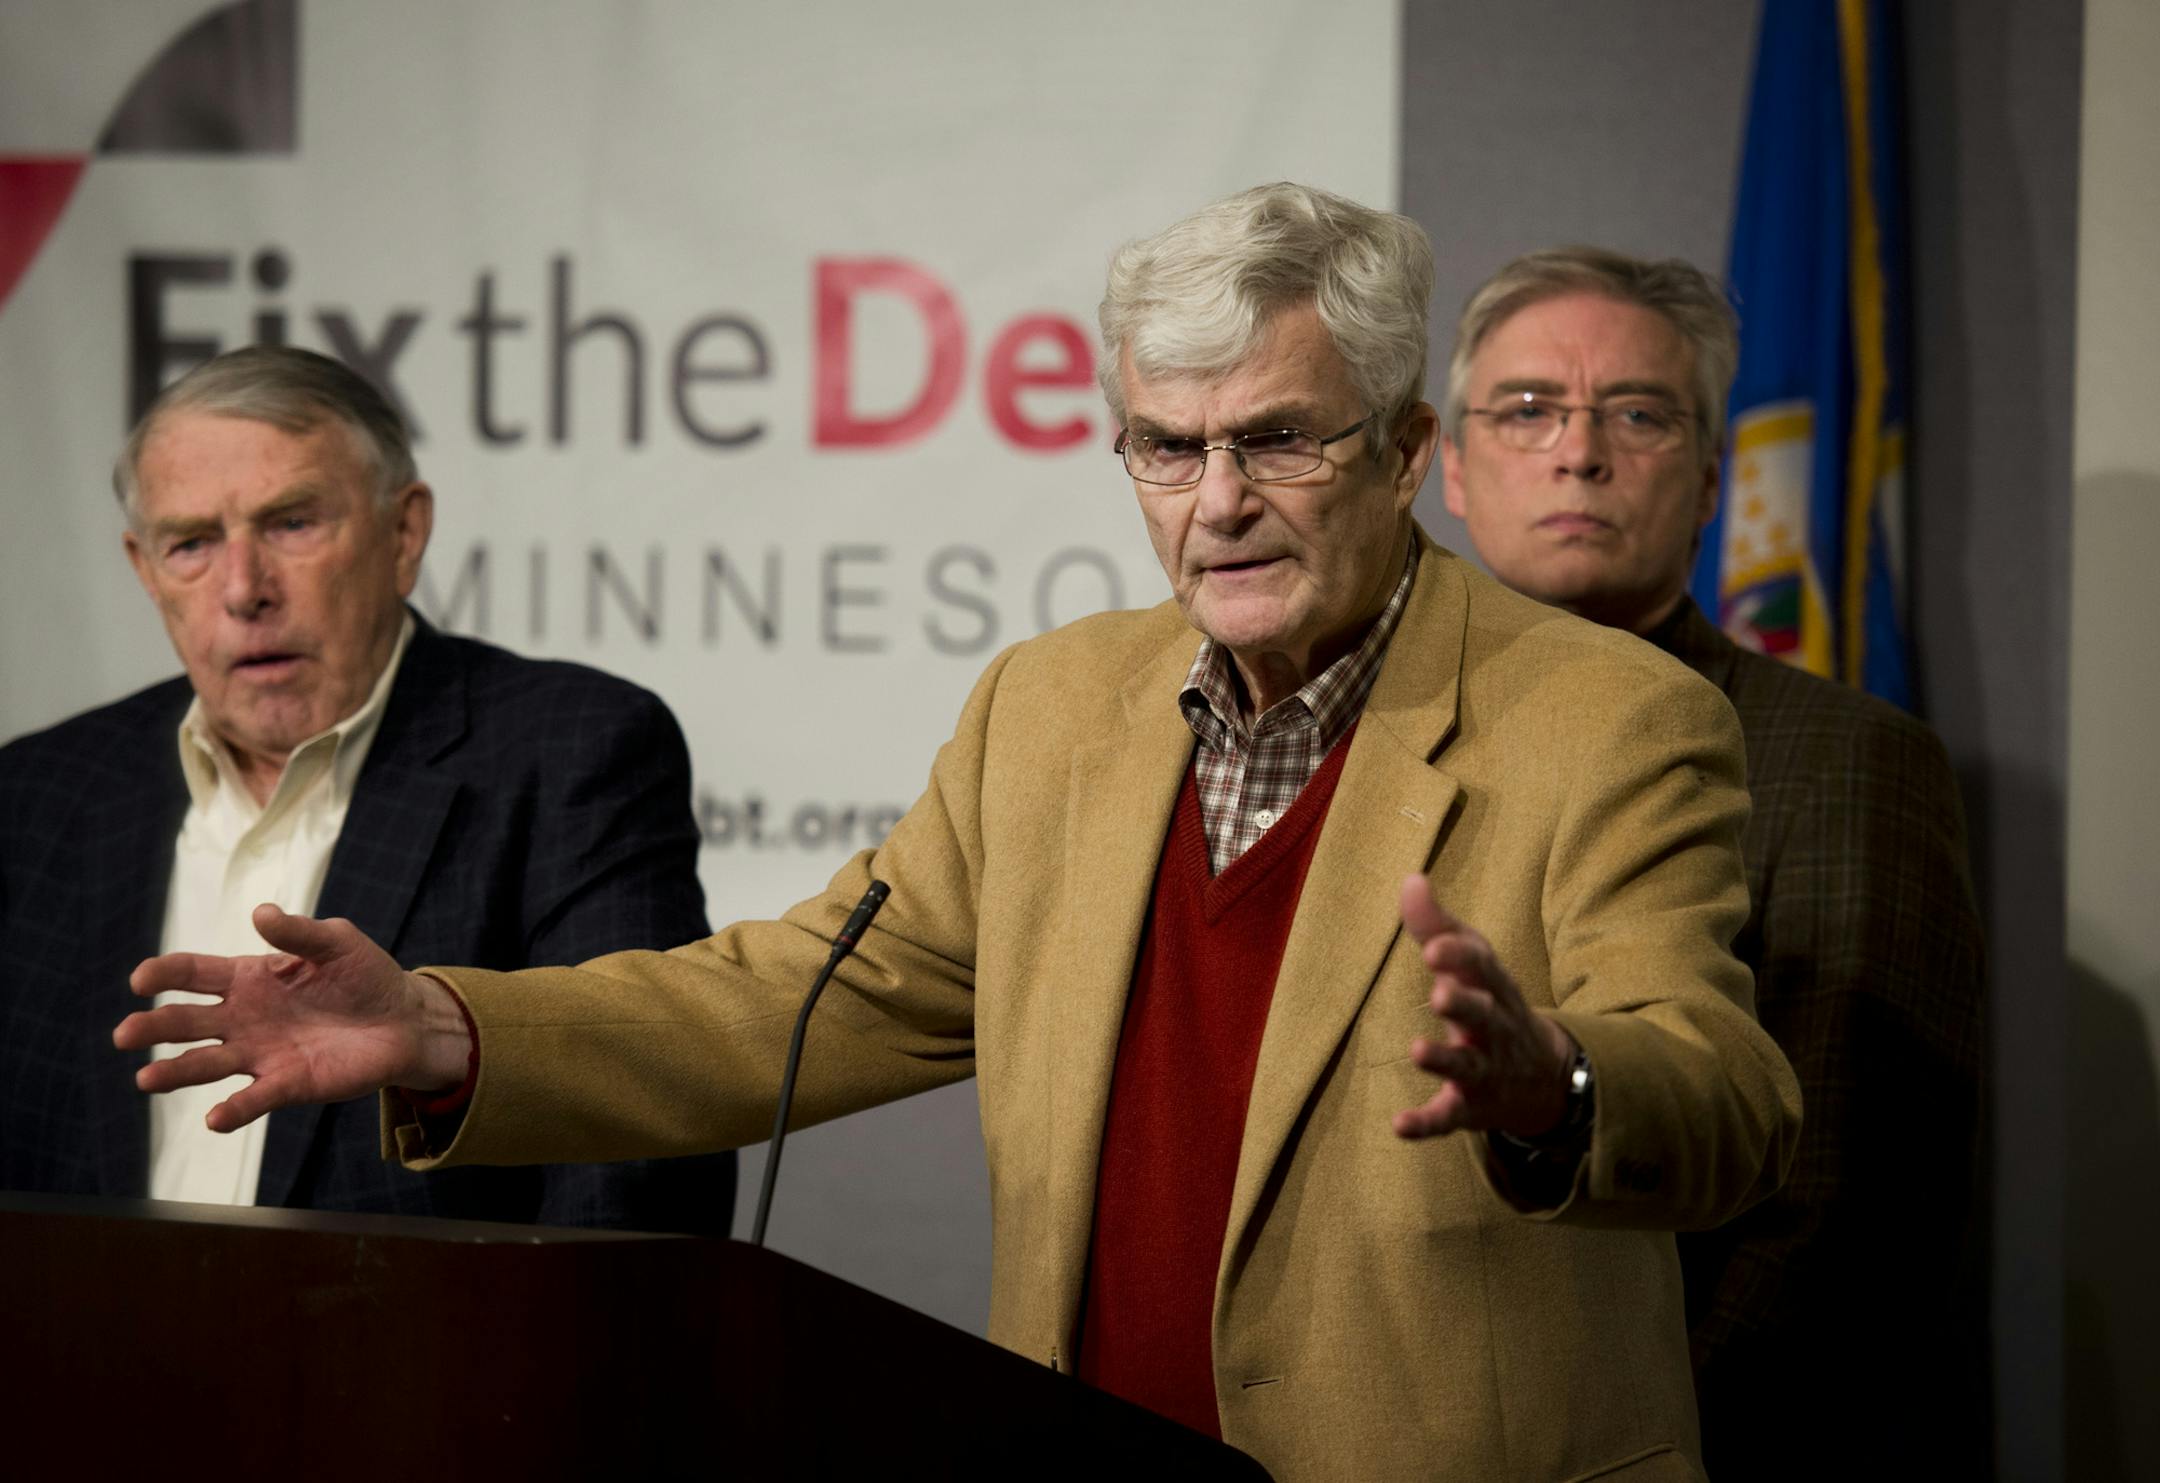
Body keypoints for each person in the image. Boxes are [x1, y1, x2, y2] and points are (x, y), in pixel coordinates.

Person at [119, 189, 1799, 1481]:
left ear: (1406, 452)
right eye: (1167, 444)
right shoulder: (1053, 708)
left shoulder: (1605, 716)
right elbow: (791, 992)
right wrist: (447, 1022)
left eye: (1278, 437)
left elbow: (1724, 1093)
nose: (1217, 498)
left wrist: (1556, 1088)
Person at [1440, 247, 1988, 1476]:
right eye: (1528, 411)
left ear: (1706, 483)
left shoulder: (1848, 759)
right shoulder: (1378, 744)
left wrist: (1620, 1454)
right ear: (1455, 470)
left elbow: (1847, 1222)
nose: (1578, 452)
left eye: (1636, 413)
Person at [2, 345, 734, 1233]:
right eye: (191, 543)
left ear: (404, 531)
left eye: (292, 524)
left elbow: (634, 1144)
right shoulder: (40, 794)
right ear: (144, 568)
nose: (244, 589)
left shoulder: (569, 753)